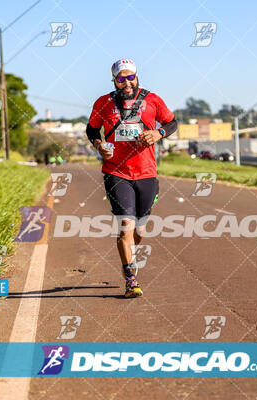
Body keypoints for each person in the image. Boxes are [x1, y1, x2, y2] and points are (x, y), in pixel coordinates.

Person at [86, 59, 177, 298]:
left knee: (139, 230)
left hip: (147, 172)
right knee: (125, 227)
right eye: (121, 78)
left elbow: (172, 123)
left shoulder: (153, 100)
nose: (126, 83)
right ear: (114, 80)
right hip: (116, 171)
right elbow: (92, 130)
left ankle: (129, 253)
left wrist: (158, 133)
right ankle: (131, 278)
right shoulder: (103, 103)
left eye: (130, 77)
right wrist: (98, 145)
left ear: (137, 76)